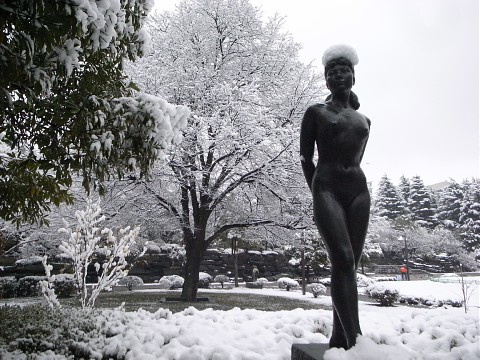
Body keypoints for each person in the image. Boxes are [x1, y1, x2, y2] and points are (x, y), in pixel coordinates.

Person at [300, 44, 371, 350]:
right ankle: (356, 339)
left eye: (344, 71)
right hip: (326, 187)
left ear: (353, 76)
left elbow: (357, 158)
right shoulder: (316, 112)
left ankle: (339, 336)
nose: (339, 75)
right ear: (326, 80)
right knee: (341, 258)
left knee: (349, 265)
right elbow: (305, 158)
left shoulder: (364, 121)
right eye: (332, 72)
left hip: (358, 191)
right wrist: (316, 191)